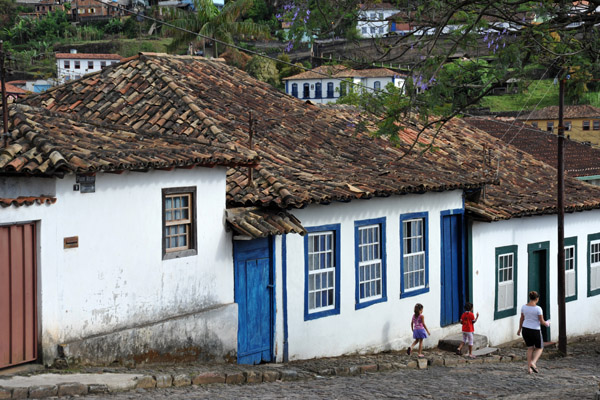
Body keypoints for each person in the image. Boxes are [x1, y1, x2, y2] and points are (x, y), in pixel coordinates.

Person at [517, 291, 550, 374]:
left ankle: (529, 368)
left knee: (530, 348)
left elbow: (521, 318)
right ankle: (533, 362)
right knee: (539, 348)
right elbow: (541, 321)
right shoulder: (538, 309)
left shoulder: (524, 307)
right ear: (537, 299)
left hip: (525, 329)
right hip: (535, 330)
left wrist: (519, 329)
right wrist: (547, 323)